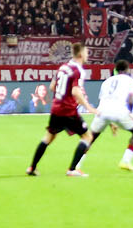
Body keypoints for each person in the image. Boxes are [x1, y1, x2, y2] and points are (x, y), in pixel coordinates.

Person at [27, 42, 96, 177]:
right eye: (86, 52)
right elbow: (76, 91)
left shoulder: (63, 67)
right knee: (87, 137)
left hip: (56, 108)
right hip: (68, 110)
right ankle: (72, 169)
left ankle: (32, 168)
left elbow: (52, 87)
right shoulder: (78, 70)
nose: (87, 55)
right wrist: (88, 106)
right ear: (81, 54)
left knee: (49, 137)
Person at [83, 60, 133, 173]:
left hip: (102, 112)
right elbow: (130, 100)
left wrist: (111, 123)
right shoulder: (130, 81)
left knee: (90, 138)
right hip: (119, 111)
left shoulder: (107, 81)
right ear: (127, 69)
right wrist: (130, 113)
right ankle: (125, 161)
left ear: (116, 70)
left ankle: (76, 165)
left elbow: (103, 101)